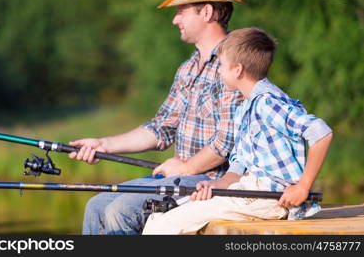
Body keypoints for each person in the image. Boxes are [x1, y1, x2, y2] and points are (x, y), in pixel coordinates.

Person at [68, 0, 246, 235]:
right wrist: (103, 144)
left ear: (206, 12)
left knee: (121, 211)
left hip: (211, 181)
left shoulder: (234, 66)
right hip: (178, 177)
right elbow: (161, 128)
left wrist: (186, 167)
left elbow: (226, 142)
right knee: (96, 205)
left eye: (182, 11)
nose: (175, 20)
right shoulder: (187, 69)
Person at [142, 27, 333, 234]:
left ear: (238, 70)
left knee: (166, 225)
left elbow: (320, 133)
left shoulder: (267, 103)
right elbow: (239, 166)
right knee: (159, 215)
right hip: (246, 189)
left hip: (270, 196)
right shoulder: (244, 109)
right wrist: (216, 186)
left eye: (221, 65)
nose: (219, 71)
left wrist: (303, 187)